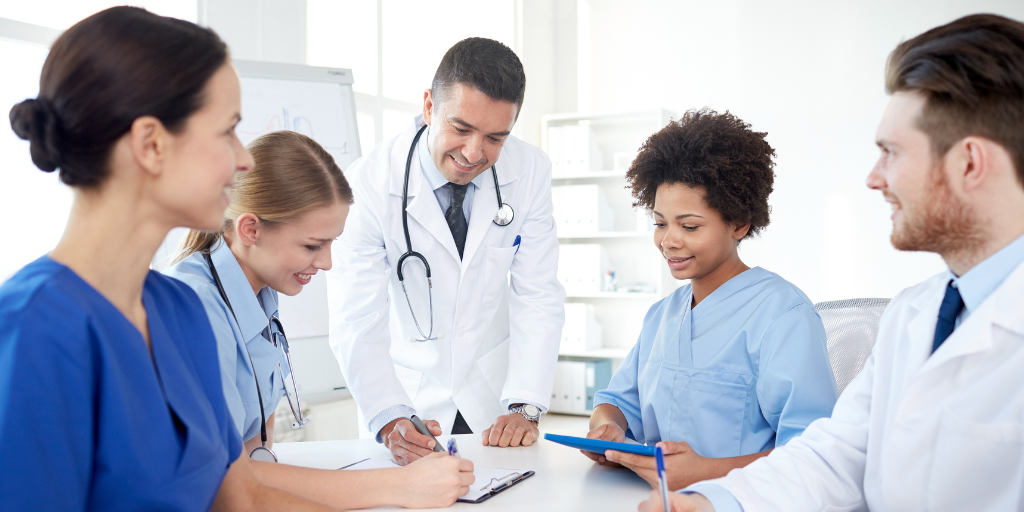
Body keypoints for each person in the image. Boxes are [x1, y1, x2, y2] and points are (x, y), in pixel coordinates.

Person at [641, 13, 1024, 512]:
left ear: (969, 163)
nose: (873, 177)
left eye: (891, 152)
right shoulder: (916, 313)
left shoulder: (779, 310)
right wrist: (716, 502)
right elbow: (837, 455)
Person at [0, 7, 341, 511]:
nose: (244, 159)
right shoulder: (35, 330)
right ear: (151, 144)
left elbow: (239, 499)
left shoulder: (179, 310)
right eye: (227, 130)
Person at [165, 130, 473, 509]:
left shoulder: (258, 290)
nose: (326, 263)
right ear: (250, 229)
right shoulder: (196, 309)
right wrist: (401, 486)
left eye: (331, 245)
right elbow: (225, 479)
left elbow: (253, 451)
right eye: (313, 246)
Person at [327, 37, 565, 464]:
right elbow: (355, 316)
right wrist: (388, 415)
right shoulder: (368, 182)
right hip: (407, 399)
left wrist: (525, 405)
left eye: (495, 137)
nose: (474, 153)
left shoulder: (529, 172)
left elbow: (538, 293)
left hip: (495, 398)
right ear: (428, 107)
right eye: (461, 128)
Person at [583, 109, 838, 491]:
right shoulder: (662, 315)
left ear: (739, 223)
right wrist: (607, 428)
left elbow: (814, 453)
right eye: (659, 222)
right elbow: (617, 401)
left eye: (689, 226)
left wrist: (707, 472)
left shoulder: (783, 316)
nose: (668, 240)